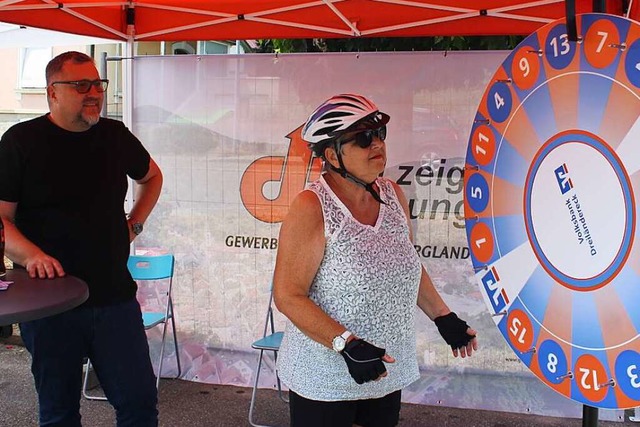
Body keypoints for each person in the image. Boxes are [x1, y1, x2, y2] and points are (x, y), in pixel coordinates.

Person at [273, 93, 478, 427]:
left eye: (380, 134)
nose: (377, 144)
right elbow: (287, 295)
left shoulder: (392, 194)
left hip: (383, 370)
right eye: (364, 138)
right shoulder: (311, 207)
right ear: (331, 154)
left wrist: (444, 317)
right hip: (326, 379)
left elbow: (406, 264)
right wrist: (346, 343)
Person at [0, 51, 163, 426]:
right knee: (59, 413)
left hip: (114, 297)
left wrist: (134, 223)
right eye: (81, 85)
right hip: (49, 304)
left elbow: (152, 177)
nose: (93, 93)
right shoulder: (20, 142)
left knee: (139, 405)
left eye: (97, 84)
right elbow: (2, 221)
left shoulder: (115, 136)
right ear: (52, 93)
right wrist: (33, 255)